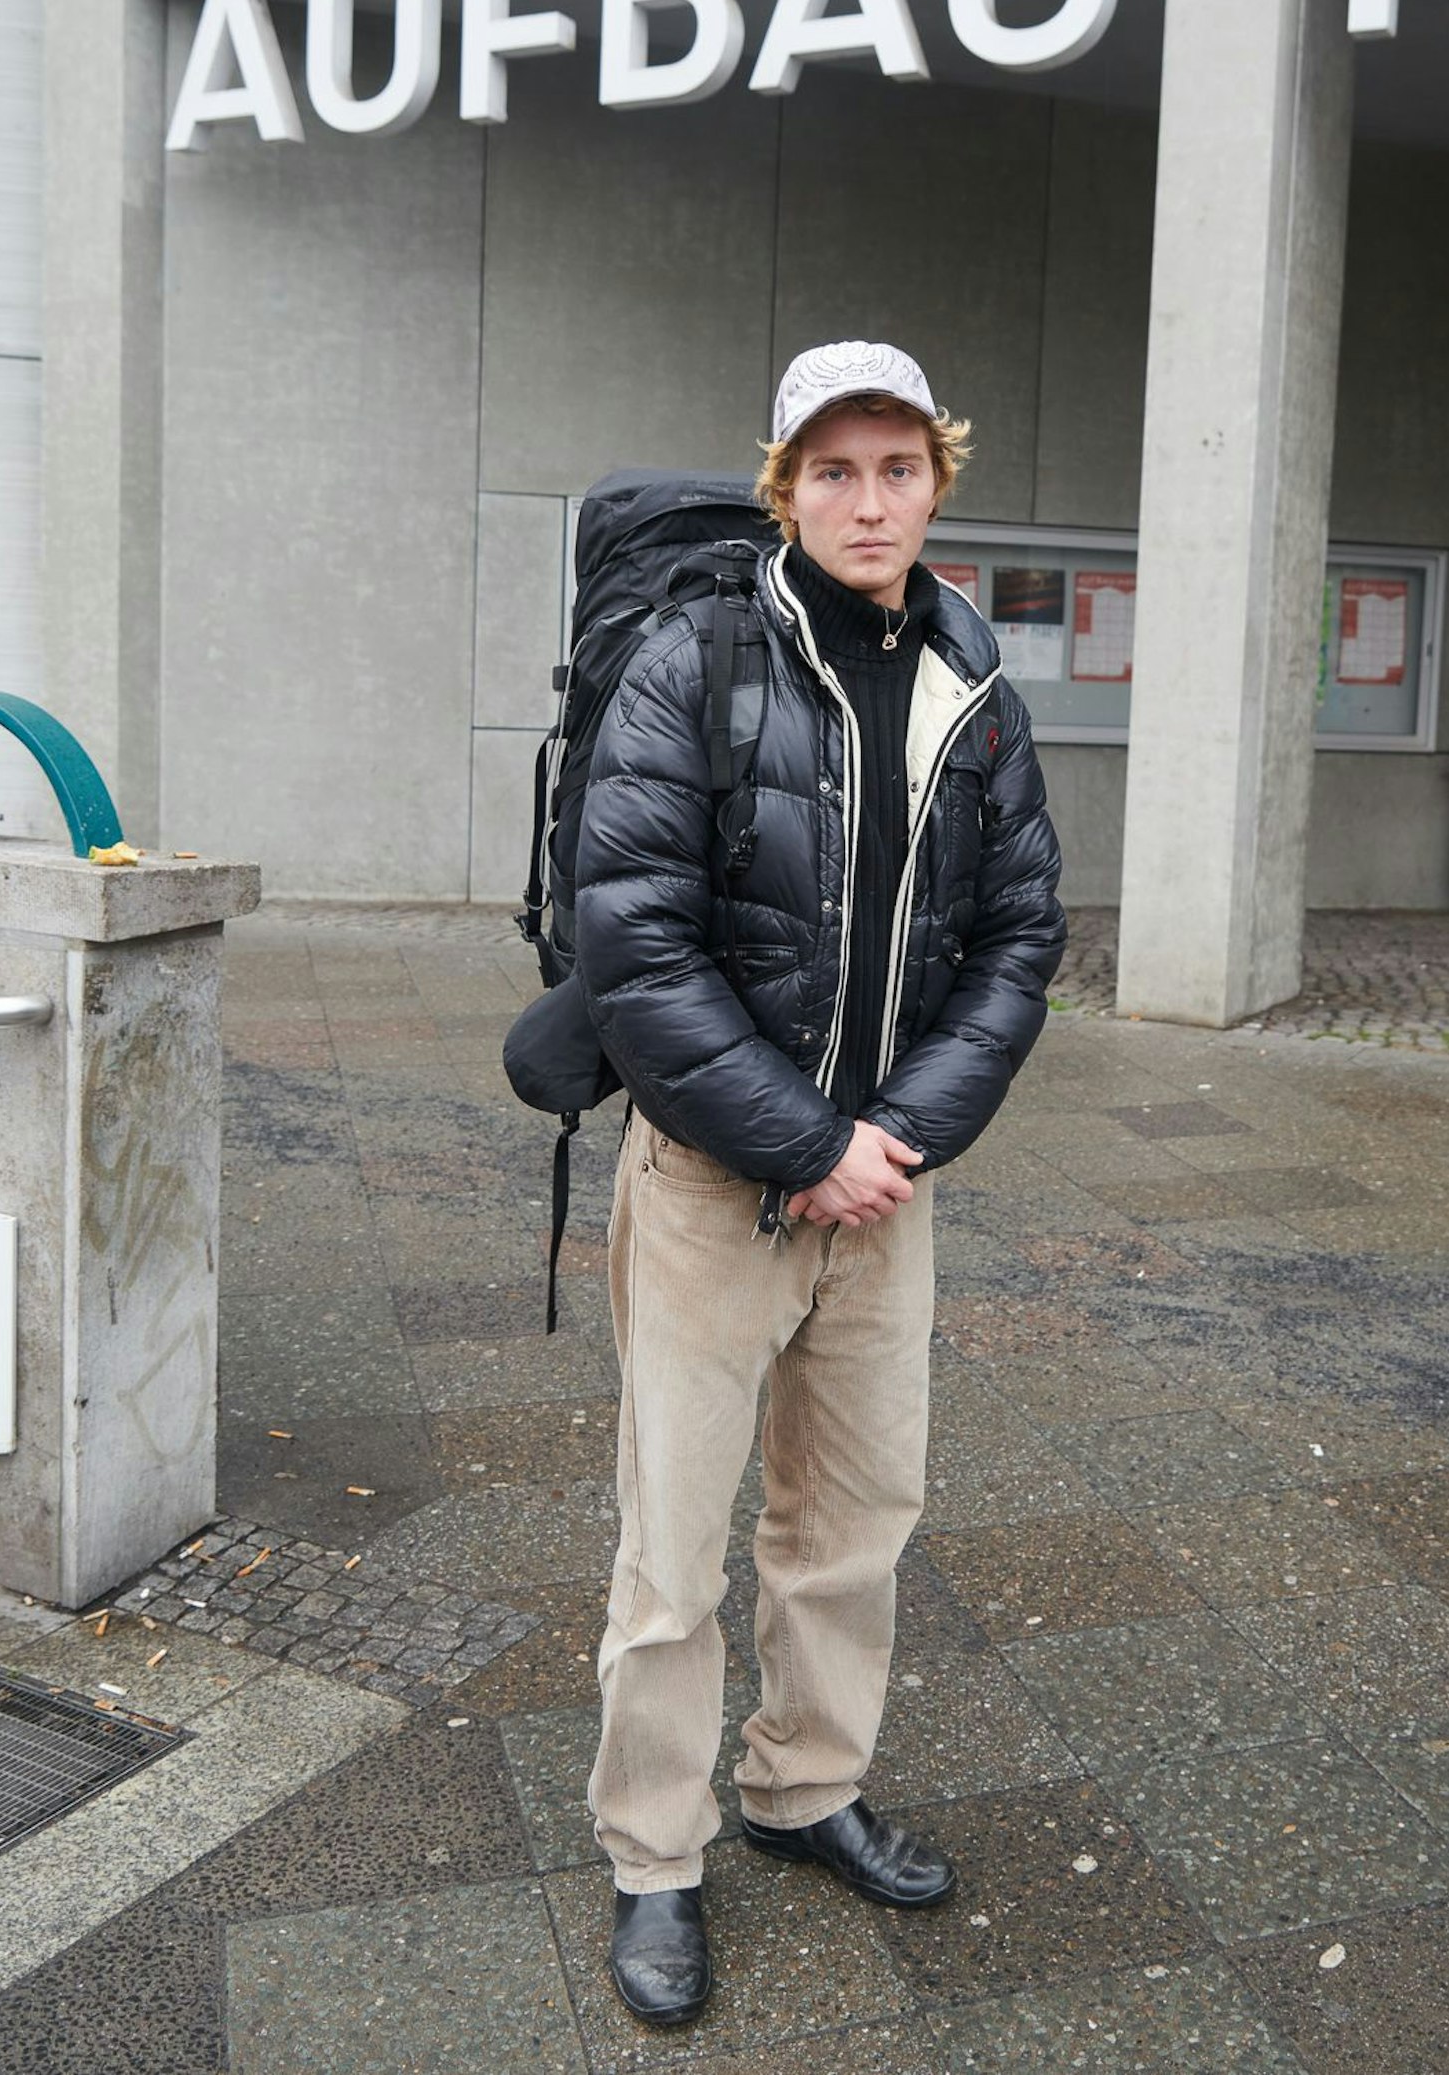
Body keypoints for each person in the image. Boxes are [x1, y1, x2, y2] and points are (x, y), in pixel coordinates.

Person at [573, 338, 1066, 2026]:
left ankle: (801, 1787)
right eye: (837, 471)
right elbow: (633, 943)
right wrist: (804, 1142)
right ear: (788, 483)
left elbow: (1020, 938)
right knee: (672, 1552)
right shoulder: (691, 664)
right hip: (717, 1182)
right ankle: (655, 1855)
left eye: (902, 467)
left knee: (852, 1528)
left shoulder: (972, 686)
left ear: (940, 480)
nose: (873, 501)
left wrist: (898, 1138)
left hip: (888, 1189)